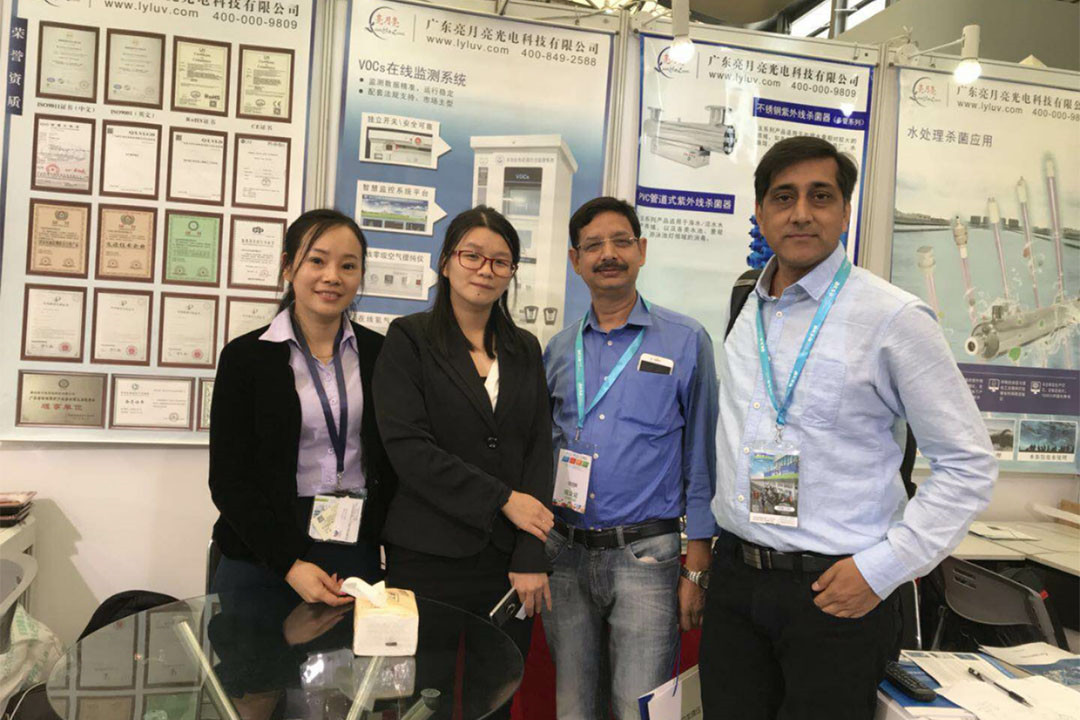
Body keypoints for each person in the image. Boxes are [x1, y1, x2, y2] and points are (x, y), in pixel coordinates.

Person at [700, 136, 998, 719]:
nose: (801, 213)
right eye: (783, 197)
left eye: (820, 196)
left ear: (844, 211)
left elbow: (968, 464)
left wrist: (883, 569)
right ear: (760, 212)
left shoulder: (892, 317)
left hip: (836, 594)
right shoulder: (746, 304)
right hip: (736, 582)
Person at [373, 206, 554, 718]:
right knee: (420, 701)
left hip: (506, 564)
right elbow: (409, 449)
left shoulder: (525, 349)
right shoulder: (409, 339)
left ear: (511, 272)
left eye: (500, 261)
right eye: (471, 255)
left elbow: (538, 449)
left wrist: (530, 554)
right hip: (426, 557)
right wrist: (502, 499)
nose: (484, 269)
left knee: (494, 700)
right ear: (446, 262)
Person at [542, 197, 718, 719]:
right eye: (593, 245)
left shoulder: (686, 341)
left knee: (638, 707)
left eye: (621, 241)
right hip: (564, 555)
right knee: (573, 707)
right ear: (575, 260)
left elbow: (702, 456)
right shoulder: (558, 349)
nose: (608, 254)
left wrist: (698, 567)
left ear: (641, 250)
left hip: (647, 556)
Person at [208, 209, 394, 604]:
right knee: (255, 647)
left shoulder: (381, 354)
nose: (332, 276)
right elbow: (228, 480)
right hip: (261, 551)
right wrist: (289, 564)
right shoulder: (245, 358)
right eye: (317, 261)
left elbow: (392, 461)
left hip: (353, 545)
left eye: (348, 266)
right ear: (288, 266)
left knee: (348, 646)